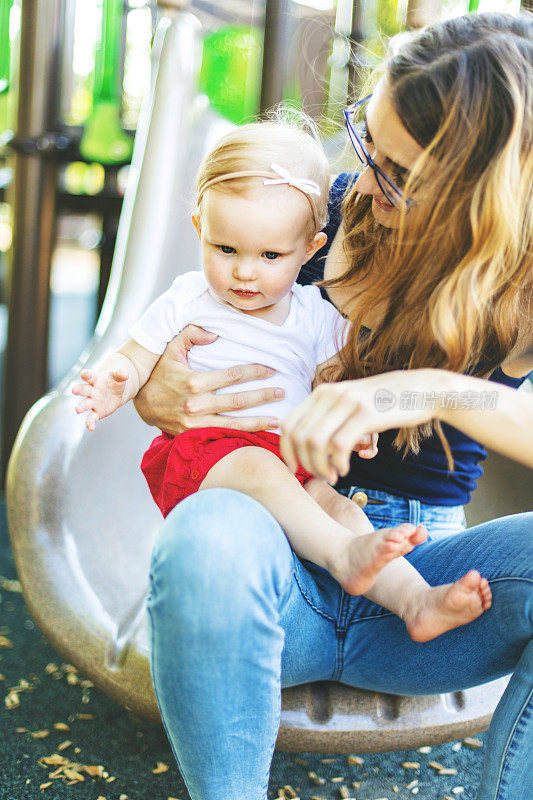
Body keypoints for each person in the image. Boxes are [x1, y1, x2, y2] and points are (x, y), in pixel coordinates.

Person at [133, 12, 532, 800]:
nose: (365, 178)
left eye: (398, 174)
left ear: (475, 192)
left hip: (422, 594)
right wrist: (158, 394)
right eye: (365, 141)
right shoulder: (314, 221)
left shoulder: (519, 289)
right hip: (272, 577)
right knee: (206, 530)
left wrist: (407, 389)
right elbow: (180, 344)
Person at [72, 120, 492, 641]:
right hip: (214, 453)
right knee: (259, 468)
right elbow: (136, 357)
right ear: (201, 230)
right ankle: (341, 556)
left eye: (270, 256)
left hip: (291, 459)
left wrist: (353, 425)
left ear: (309, 248)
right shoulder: (187, 297)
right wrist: (118, 381)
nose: (245, 273)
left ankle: (414, 600)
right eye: (226, 250)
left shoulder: (316, 313)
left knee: (339, 508)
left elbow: (339, 384)